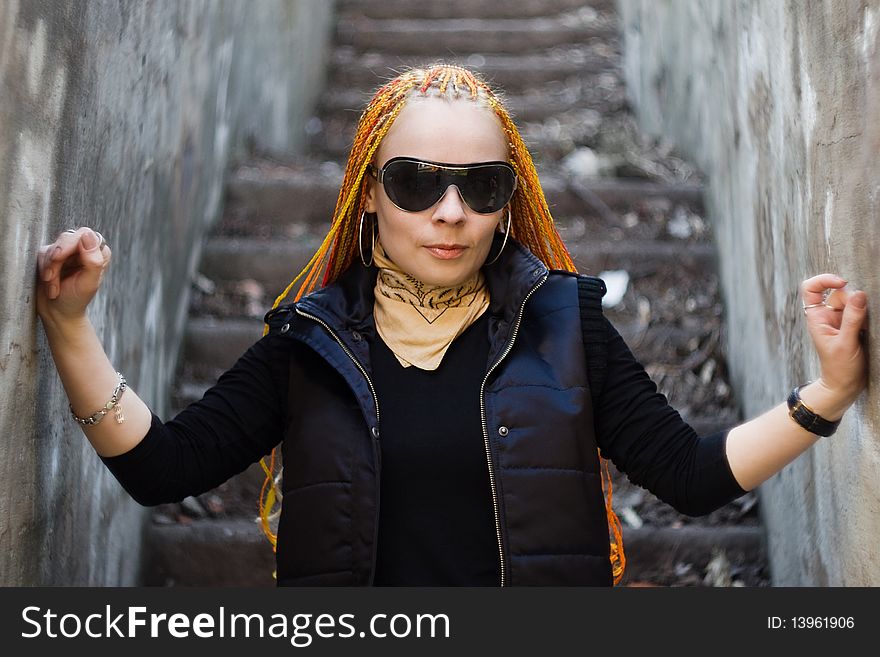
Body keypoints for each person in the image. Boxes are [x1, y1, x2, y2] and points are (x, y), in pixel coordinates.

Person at [35, 64, 869, 587]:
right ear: (368, 191)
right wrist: (72, 327)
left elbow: (690, 473)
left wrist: (827, 393)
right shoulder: (309, 343)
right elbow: (161, 466)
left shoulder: (565, 325)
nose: (450, 211)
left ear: (508, 201)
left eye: (480, 186)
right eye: (417, 182)